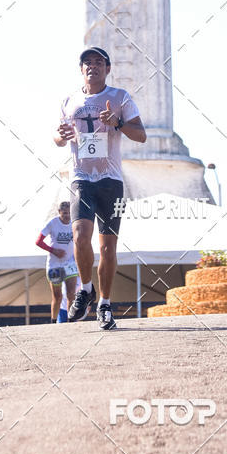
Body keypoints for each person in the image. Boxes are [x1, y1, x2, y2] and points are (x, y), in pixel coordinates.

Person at [54, 47, 146, 330]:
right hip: (81, 178)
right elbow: (58, 136)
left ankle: (105, 305)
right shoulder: (70, 100)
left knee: (107, 247)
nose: (92, 66)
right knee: (80, 237)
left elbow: (141, 135)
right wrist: (61, 136)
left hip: (111, 181)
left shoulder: (120, 97)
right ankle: (85, 289)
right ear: (81, 69)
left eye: (98, 62)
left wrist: (117, 122)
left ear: (108, 69)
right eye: (87, 63)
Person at [35, 201, 79, 323]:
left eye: (69, 213)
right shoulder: (53, 223)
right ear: (59, 212)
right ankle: (53, 321)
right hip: (54, 265)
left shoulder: (74, 222)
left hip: (70, 263)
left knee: (71, 294)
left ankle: (71, 321)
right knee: (57, 296)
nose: (67, 216)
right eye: (64, 213)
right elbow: (38, 241)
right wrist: (53, 250)